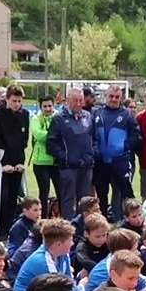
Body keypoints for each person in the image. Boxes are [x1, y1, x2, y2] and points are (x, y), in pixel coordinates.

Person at [0, 86, 30, 237]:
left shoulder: (24, 115)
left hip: (16, 160)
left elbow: (24, 140)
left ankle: (10, 227)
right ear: (7, 99)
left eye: (19, 101)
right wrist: (3, 164)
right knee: (1, 195)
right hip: (0, 161)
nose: (17, 104)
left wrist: (20, 162)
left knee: (13, 196)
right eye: (14, 101)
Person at [91, 86, 139, 223]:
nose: (113, 99)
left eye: (117, 97)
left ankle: (129, 222)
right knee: (101, 194)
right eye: (111, 96)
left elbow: (136, 136)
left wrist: (123, 146)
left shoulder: (127, 114)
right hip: (100, 162)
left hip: (120, 161)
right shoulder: (97, 113)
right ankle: (102, 222)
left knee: (125, 193)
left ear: (121, 98)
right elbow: (91, 135)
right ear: (106, 96)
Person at [48, 89, 97, 220]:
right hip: (68, 167)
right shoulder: (59, 118)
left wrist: (92, 155)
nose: (78, 103)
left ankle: (84, 225)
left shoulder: (87, 116)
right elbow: (52, 143)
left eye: (81, 100)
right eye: (75, 100)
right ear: (68, 100)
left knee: (85, 200)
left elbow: (95, 138)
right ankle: (70, 227)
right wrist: (66, 157)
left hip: (86, 166)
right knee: (68, 199)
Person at [13, 218, 76, 291]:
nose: (72, 243)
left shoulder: (63, 254)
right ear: (58, 244)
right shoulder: (41, 262)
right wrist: (80, 289)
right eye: (70, 240)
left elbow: (70, 282)